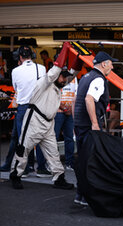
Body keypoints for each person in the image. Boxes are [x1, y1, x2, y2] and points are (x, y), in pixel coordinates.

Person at [10, 42, 79, 190]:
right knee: (23, 149)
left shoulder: (57, 85)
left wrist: (80, 57)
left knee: (53, 152)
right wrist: (65, 49)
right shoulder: (45, 82)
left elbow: (72, 75)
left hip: (48, 123)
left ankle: (59, 178)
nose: (65, 80)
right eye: (62, 77)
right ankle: (15, 175)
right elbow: (55, 70)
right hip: (34, 120)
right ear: (56, 76)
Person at [73, 51, 118, 205]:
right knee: (90, 161)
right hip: (88, 126)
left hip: (80, 124)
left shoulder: (85, 77)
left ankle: (79, 194)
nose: (112, 67)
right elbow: (89, 98)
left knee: (82, 160)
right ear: (104, 64)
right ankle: (86, 196)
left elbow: (75, 100)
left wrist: (75, 120)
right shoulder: (98, 79)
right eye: (111, 63)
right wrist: (95, 124)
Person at [11, 45, 51, 177]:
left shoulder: (15, 71)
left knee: (23, 139)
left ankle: (25, 168)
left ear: (20, 57)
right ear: (32, 56)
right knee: (39, 138)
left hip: (23, 107)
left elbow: (15, 88)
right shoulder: (41, 68)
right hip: (38, 107)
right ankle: (41, 168)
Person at [54, 73, 78, 170]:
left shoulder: (74, 78)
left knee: (69, 138)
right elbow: (53, 95)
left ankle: (69, 162)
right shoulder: (55, 77)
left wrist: (71, 110)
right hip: (58, 112)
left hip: (69, 113)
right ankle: (53, 164)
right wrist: (64, 108)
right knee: (53, 139)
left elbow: (76, 94)